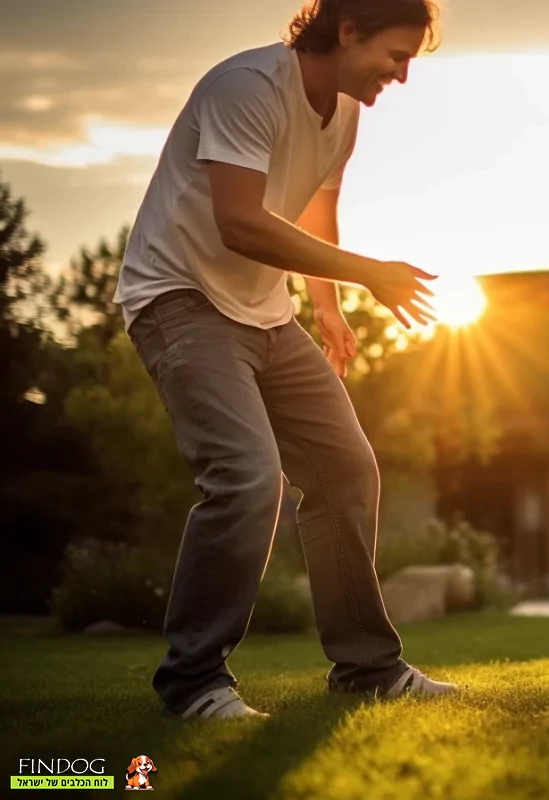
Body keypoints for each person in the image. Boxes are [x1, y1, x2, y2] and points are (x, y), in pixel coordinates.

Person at [113, 0, 457, 720]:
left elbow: (313, 212)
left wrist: (327, 309)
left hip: (268, 313)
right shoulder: (245, 88)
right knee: (244, 476)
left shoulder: (344, 111)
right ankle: (194, 683)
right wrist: (367, 271)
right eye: (395, 56)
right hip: (178, 298)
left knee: (345, 468)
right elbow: (240, 221)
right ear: (349, 29)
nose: (400, 75)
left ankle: (367, 667)